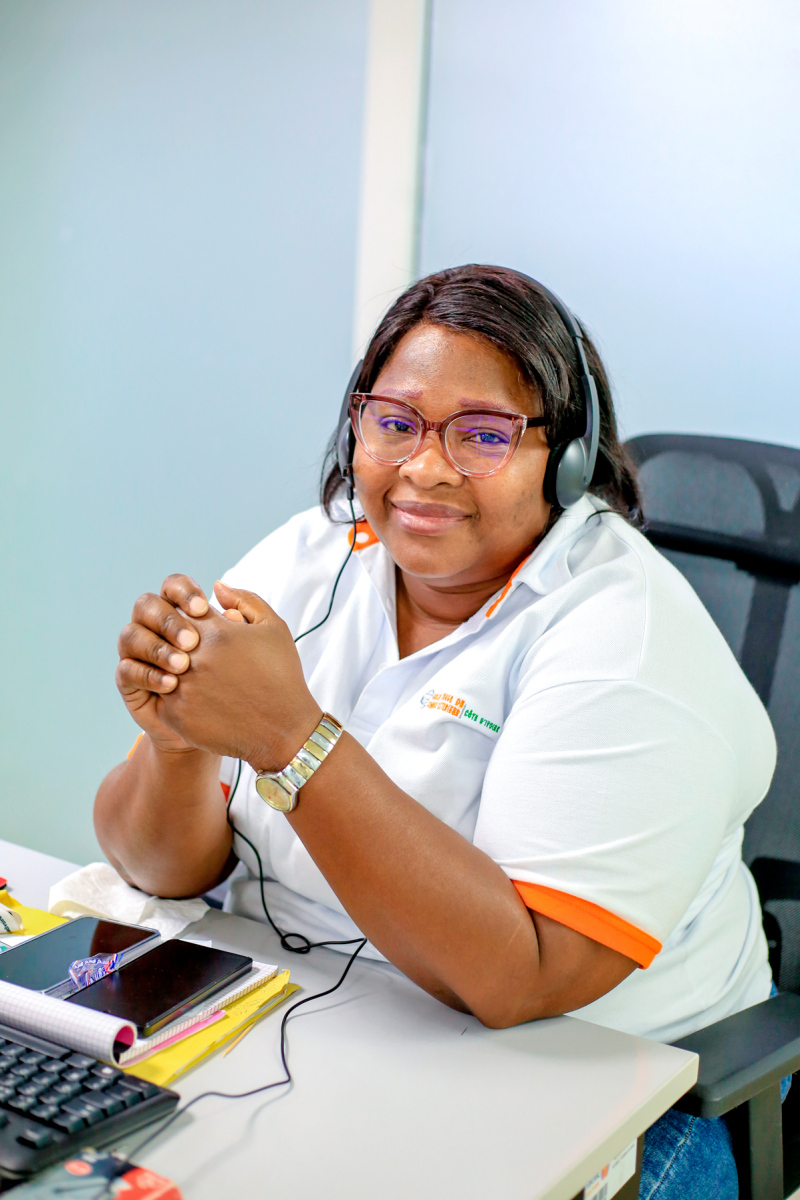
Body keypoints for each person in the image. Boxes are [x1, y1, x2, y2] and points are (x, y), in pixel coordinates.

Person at [95, 265, 776, 1198]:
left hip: (606, 1096)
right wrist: (181, 743)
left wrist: (292, 738)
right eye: (396, 422)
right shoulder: (310, 557)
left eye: (483, 435)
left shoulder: (628, 637)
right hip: (319, 1028)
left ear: (569, 459)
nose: (424, 468)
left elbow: (522, 978)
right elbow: (161, 866)